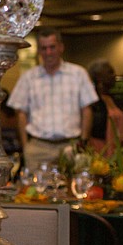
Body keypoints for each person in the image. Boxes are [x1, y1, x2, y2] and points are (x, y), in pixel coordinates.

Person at [7, 28, 98, 167]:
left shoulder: (78, 74)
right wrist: (26, 146)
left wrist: (83, 142)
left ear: (61, 47)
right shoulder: (28, 78)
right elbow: (20, 114)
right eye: (44, 48)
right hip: (38, 148)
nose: (48, 53)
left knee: (72, 187)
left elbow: (87, 110)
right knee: (34, 188)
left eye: (52, 47)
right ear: (39, 51)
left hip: (70, 146)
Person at [87, 60, 123, 156]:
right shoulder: (91, 101)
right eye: (110, 72)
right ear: (98, 76)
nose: (114, 75)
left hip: (117, 151)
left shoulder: (113, 98)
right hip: (98, 151)